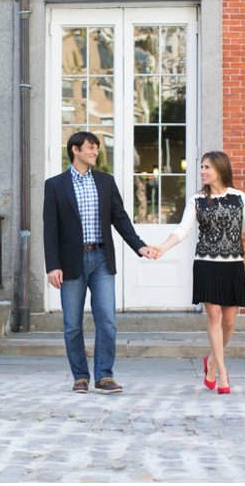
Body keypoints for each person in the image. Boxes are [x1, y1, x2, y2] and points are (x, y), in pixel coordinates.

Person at [43, 131, 156, 394]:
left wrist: (140, 246)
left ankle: (104, 376)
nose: (95, 152)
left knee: (106, 319)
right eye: (90, 148)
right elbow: (50, 229)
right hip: (71, 262)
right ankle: (80, 377)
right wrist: (52, 265)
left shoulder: (105, 182)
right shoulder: (55, 185)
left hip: (102, 258)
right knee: (72, 323)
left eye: (96, 148)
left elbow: (120, 218)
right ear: (75, 150)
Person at [150, 151, 245, 394]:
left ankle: (212, 360)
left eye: (208, 167)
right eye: (202, 166)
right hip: (206, 263)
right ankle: (222, 373)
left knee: (230, 322)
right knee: (214, 317)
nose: (203, 171)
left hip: (233, 265)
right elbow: (183, 229)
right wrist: (162, 246)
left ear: (221, 170)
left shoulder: (239, 198)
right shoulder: (196, 200)